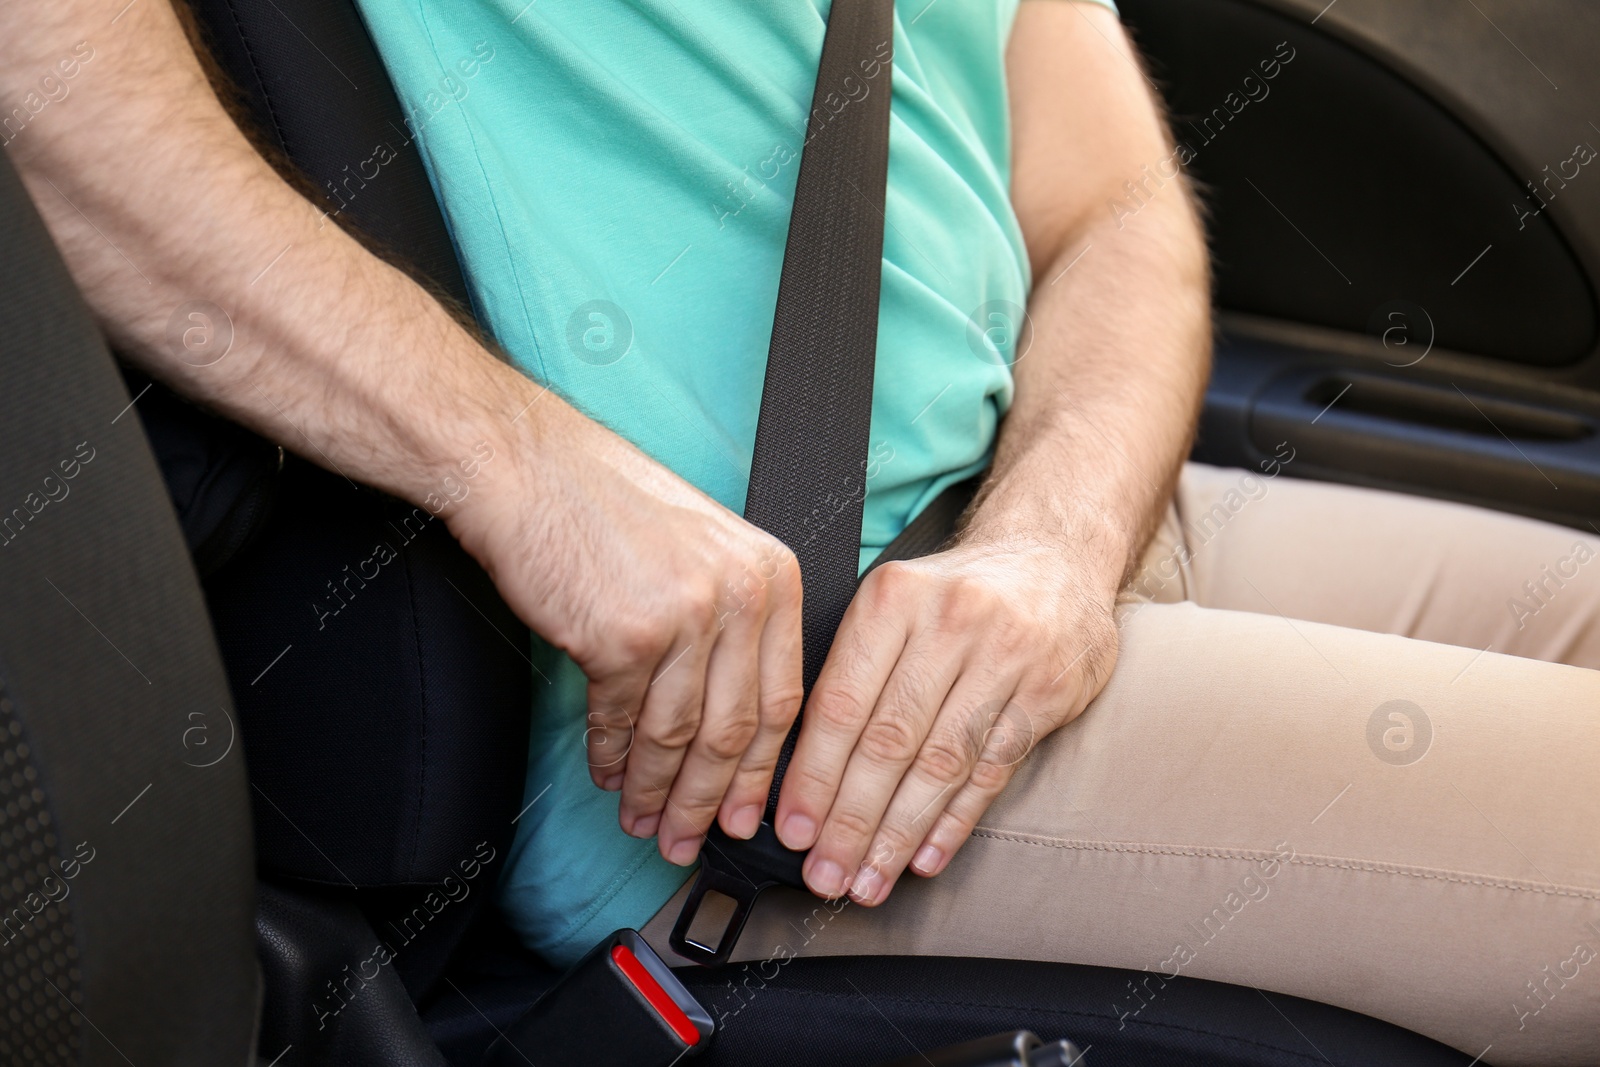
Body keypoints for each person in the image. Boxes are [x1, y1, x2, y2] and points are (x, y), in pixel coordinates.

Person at [3, 1, 1597, 1063]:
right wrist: (522, 466)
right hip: (761, 740)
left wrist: (1051, 548)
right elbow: (42, 69)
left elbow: (1110, 208)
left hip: (1052, 542)